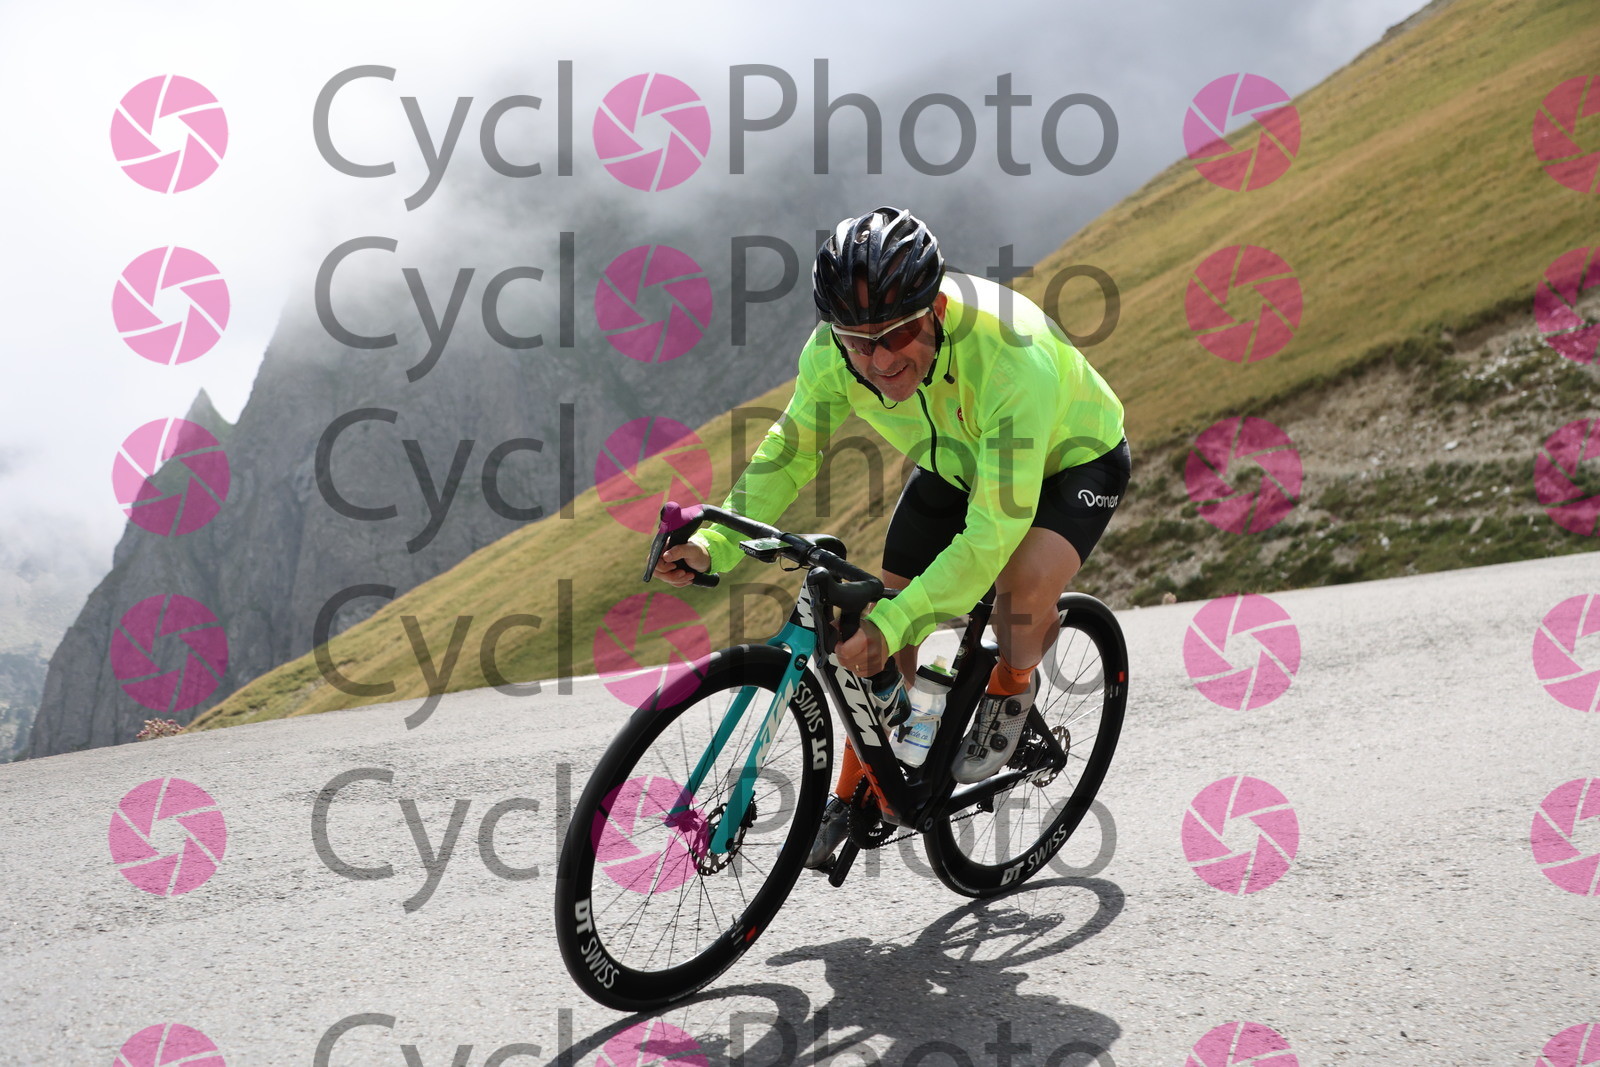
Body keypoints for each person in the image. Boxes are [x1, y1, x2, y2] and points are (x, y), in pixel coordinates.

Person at [653, 206, 1129, 869]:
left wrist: (898, 622)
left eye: (899, 333)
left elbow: (992, 534)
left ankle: (1013, 683)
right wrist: (714, 545)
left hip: (1072, 459)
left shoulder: (1007, 357)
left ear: (935, 309)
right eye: (858, 341)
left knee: (1016, 592)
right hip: (957, 462)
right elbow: (791, 452)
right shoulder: (832, 356)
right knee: (880, 616)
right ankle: (863, 786)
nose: (879, 359)